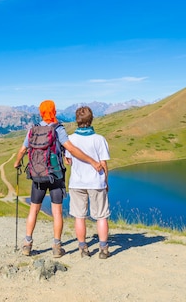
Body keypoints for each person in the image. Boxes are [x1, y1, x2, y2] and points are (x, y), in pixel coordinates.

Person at [13, 100, 103, 258]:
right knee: (57, 212)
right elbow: (71, 148)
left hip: (37, 176)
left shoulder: (33, 129)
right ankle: (56, 247)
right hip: (55, 176)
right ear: (53, 111)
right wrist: (92, 161)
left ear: (41, 112)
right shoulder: (58, 128)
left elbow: (22, 150)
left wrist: (17, 162)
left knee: (34, 209)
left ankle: (27, 244)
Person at [64, 106, 111, 259]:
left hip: (77, 182)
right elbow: (103, 164)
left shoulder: (69, 139)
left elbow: (68, 161)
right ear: (91, 120)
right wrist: (106, 181)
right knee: (101, 216)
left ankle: (83, 247)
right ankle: (103, 249)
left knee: (79, 216)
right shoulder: (99, 139)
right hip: (96, 182)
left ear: (76, 120)